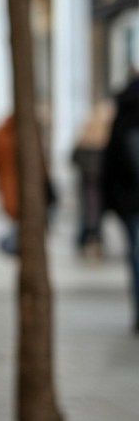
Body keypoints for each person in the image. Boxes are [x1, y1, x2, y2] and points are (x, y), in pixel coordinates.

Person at [102, 76, 139, 335]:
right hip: (130, 200)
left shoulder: (123, 114)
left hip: (130, 202)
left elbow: (110, 162)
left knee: (136, 256)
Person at [0, 115, 56, 256]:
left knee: (20, 220)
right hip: (18, 186)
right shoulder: (19, 136)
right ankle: (18, 247)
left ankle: (19, 247)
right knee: (22, 219)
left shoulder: (1, 134)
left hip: (10, 185)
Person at [71, 103, 113, 260]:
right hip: (99, 190)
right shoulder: (105, 142)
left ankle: (85, 243)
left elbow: (73, 159)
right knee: (95, 219)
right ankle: (93, 245)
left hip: (86, 189)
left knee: (86, 217)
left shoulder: (84, 139)